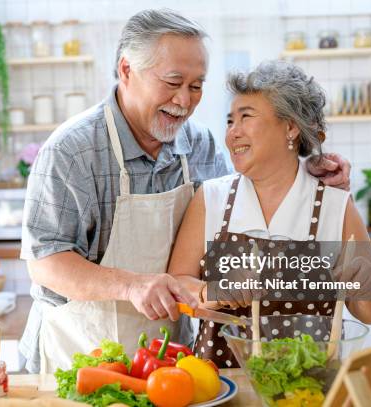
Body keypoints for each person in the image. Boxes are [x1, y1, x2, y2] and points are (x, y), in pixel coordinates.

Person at [19, 9, 353, 374]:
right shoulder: (72, 152)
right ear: (127, 71)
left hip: (166, 361)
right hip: (80, 356)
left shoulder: (198, 146)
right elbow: (46, 263)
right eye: (173, 82)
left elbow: (245, 201)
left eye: (196, 86)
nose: (184, 101)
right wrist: (132, 287)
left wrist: (306, 168)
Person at [168, 60, 371, 367]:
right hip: (220, 386)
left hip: (307, 391)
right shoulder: (211, 198)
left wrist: (365, 283)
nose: (233, 132)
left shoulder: (334, 207)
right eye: (230, 121)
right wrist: (215, 289)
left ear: (290, 127)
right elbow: (177, 282)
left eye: (246, 118)